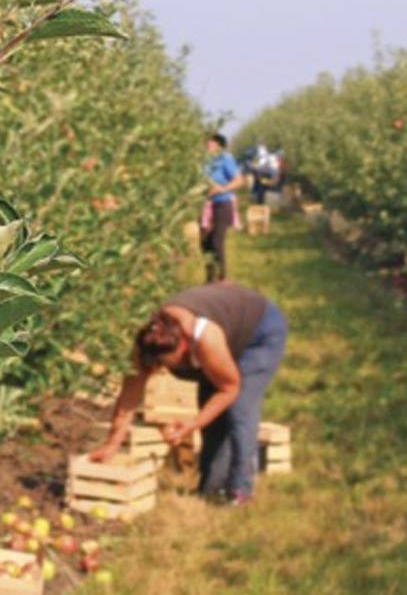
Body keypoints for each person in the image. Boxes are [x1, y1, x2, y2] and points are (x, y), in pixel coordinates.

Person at [90, 282, 288, 505]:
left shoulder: (206, 339)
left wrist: (192, 424)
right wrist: (112, 443)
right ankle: (211, 489)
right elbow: (129, 397)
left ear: (184, 344)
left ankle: (240, 489)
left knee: (240, 408)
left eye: (175, 363)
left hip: (260, 330)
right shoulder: (149, 341)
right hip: (226, 329)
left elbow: (229, 389)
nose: (167, 369)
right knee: (209, 409)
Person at [199, 133, 245, 280]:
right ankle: (209, 279)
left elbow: (239, 180)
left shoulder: (225, 158)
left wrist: (222, 188)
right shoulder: (202, 160)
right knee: (205, 243)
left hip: (223, 203)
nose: (208, 144)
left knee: (217, 241)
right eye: (206, 141)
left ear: (218, 144)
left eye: (211, 142)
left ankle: (221, 279)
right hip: (205, 204)